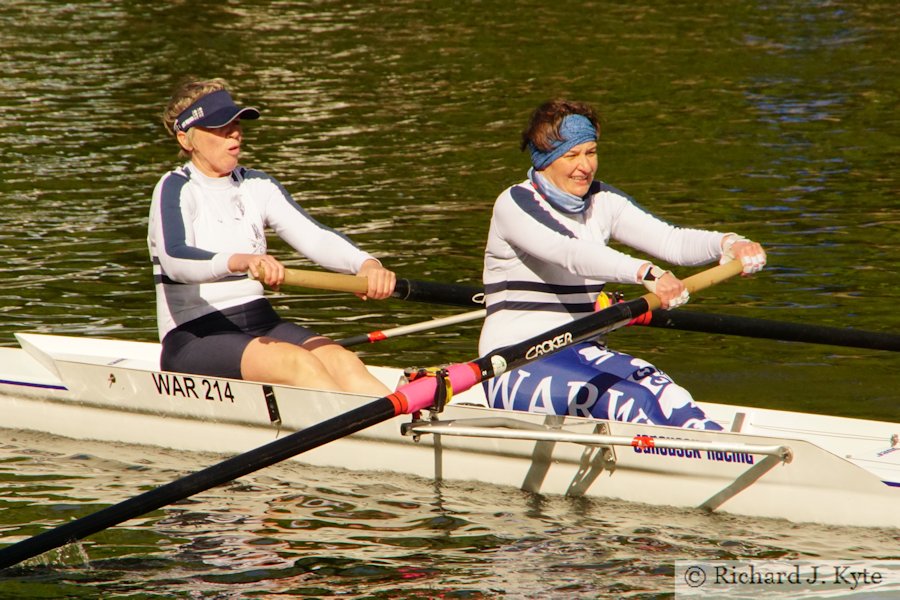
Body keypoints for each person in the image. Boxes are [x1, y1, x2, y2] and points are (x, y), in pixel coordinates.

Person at [479, 99, 767, 430]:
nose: (584, 166)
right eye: (571, 155)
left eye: (591, 152)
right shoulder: (514, 204)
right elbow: (572, 254)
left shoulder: (603, 202)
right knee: (634, 401)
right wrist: (647, 273)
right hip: (514, 363)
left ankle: (720, 455)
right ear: (545, 160)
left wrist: (729, 243)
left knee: (670, 395)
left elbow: (670, 240)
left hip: (579, 351)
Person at [148, 78, 396, 396]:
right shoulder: (176, 187)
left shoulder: (257, 185)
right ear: (187, 139)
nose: (234, 133)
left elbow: (316, 237)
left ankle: (399, 435)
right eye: (219, 127)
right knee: (296, 362)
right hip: (195, 334)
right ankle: (358, 438)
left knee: (342, 361)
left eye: (235, 123)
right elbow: (175, 260)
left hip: (261, 322)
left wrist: (366, 264)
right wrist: (242, 261)